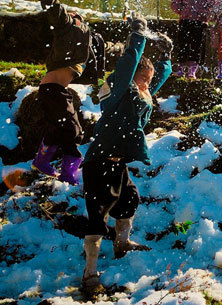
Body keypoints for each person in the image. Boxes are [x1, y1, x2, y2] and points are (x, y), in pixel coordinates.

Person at [80, 15, 172, 295]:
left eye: (149, 80)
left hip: (118, 165)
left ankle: (121, 243)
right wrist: (139, 35)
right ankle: (90, 272)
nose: (147, 84)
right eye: (142, 79)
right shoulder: (119, 91)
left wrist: (167, 57)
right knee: (98, 215)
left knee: (129, 199)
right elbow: (129, 63)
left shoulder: (140, 96)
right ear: (130, 78)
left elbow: (155, 85)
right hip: (97, 165)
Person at [22, 0, 92, 184]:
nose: (74, 15)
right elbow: (53, 6)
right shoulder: (66, 25)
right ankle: (66, 171)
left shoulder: (84, 38)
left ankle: (46, 163)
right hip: (53, 90)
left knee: (62, 129)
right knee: (72, 129)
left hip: (56, 90)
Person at [170, 0, 215, 79]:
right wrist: (182, 11)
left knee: (197, 47)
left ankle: (192, 71)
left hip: (200, 24)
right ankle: (181, 69)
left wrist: (207, 15)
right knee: (183, 45)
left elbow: (213, 9)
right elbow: (174, 3)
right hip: (185, 22)